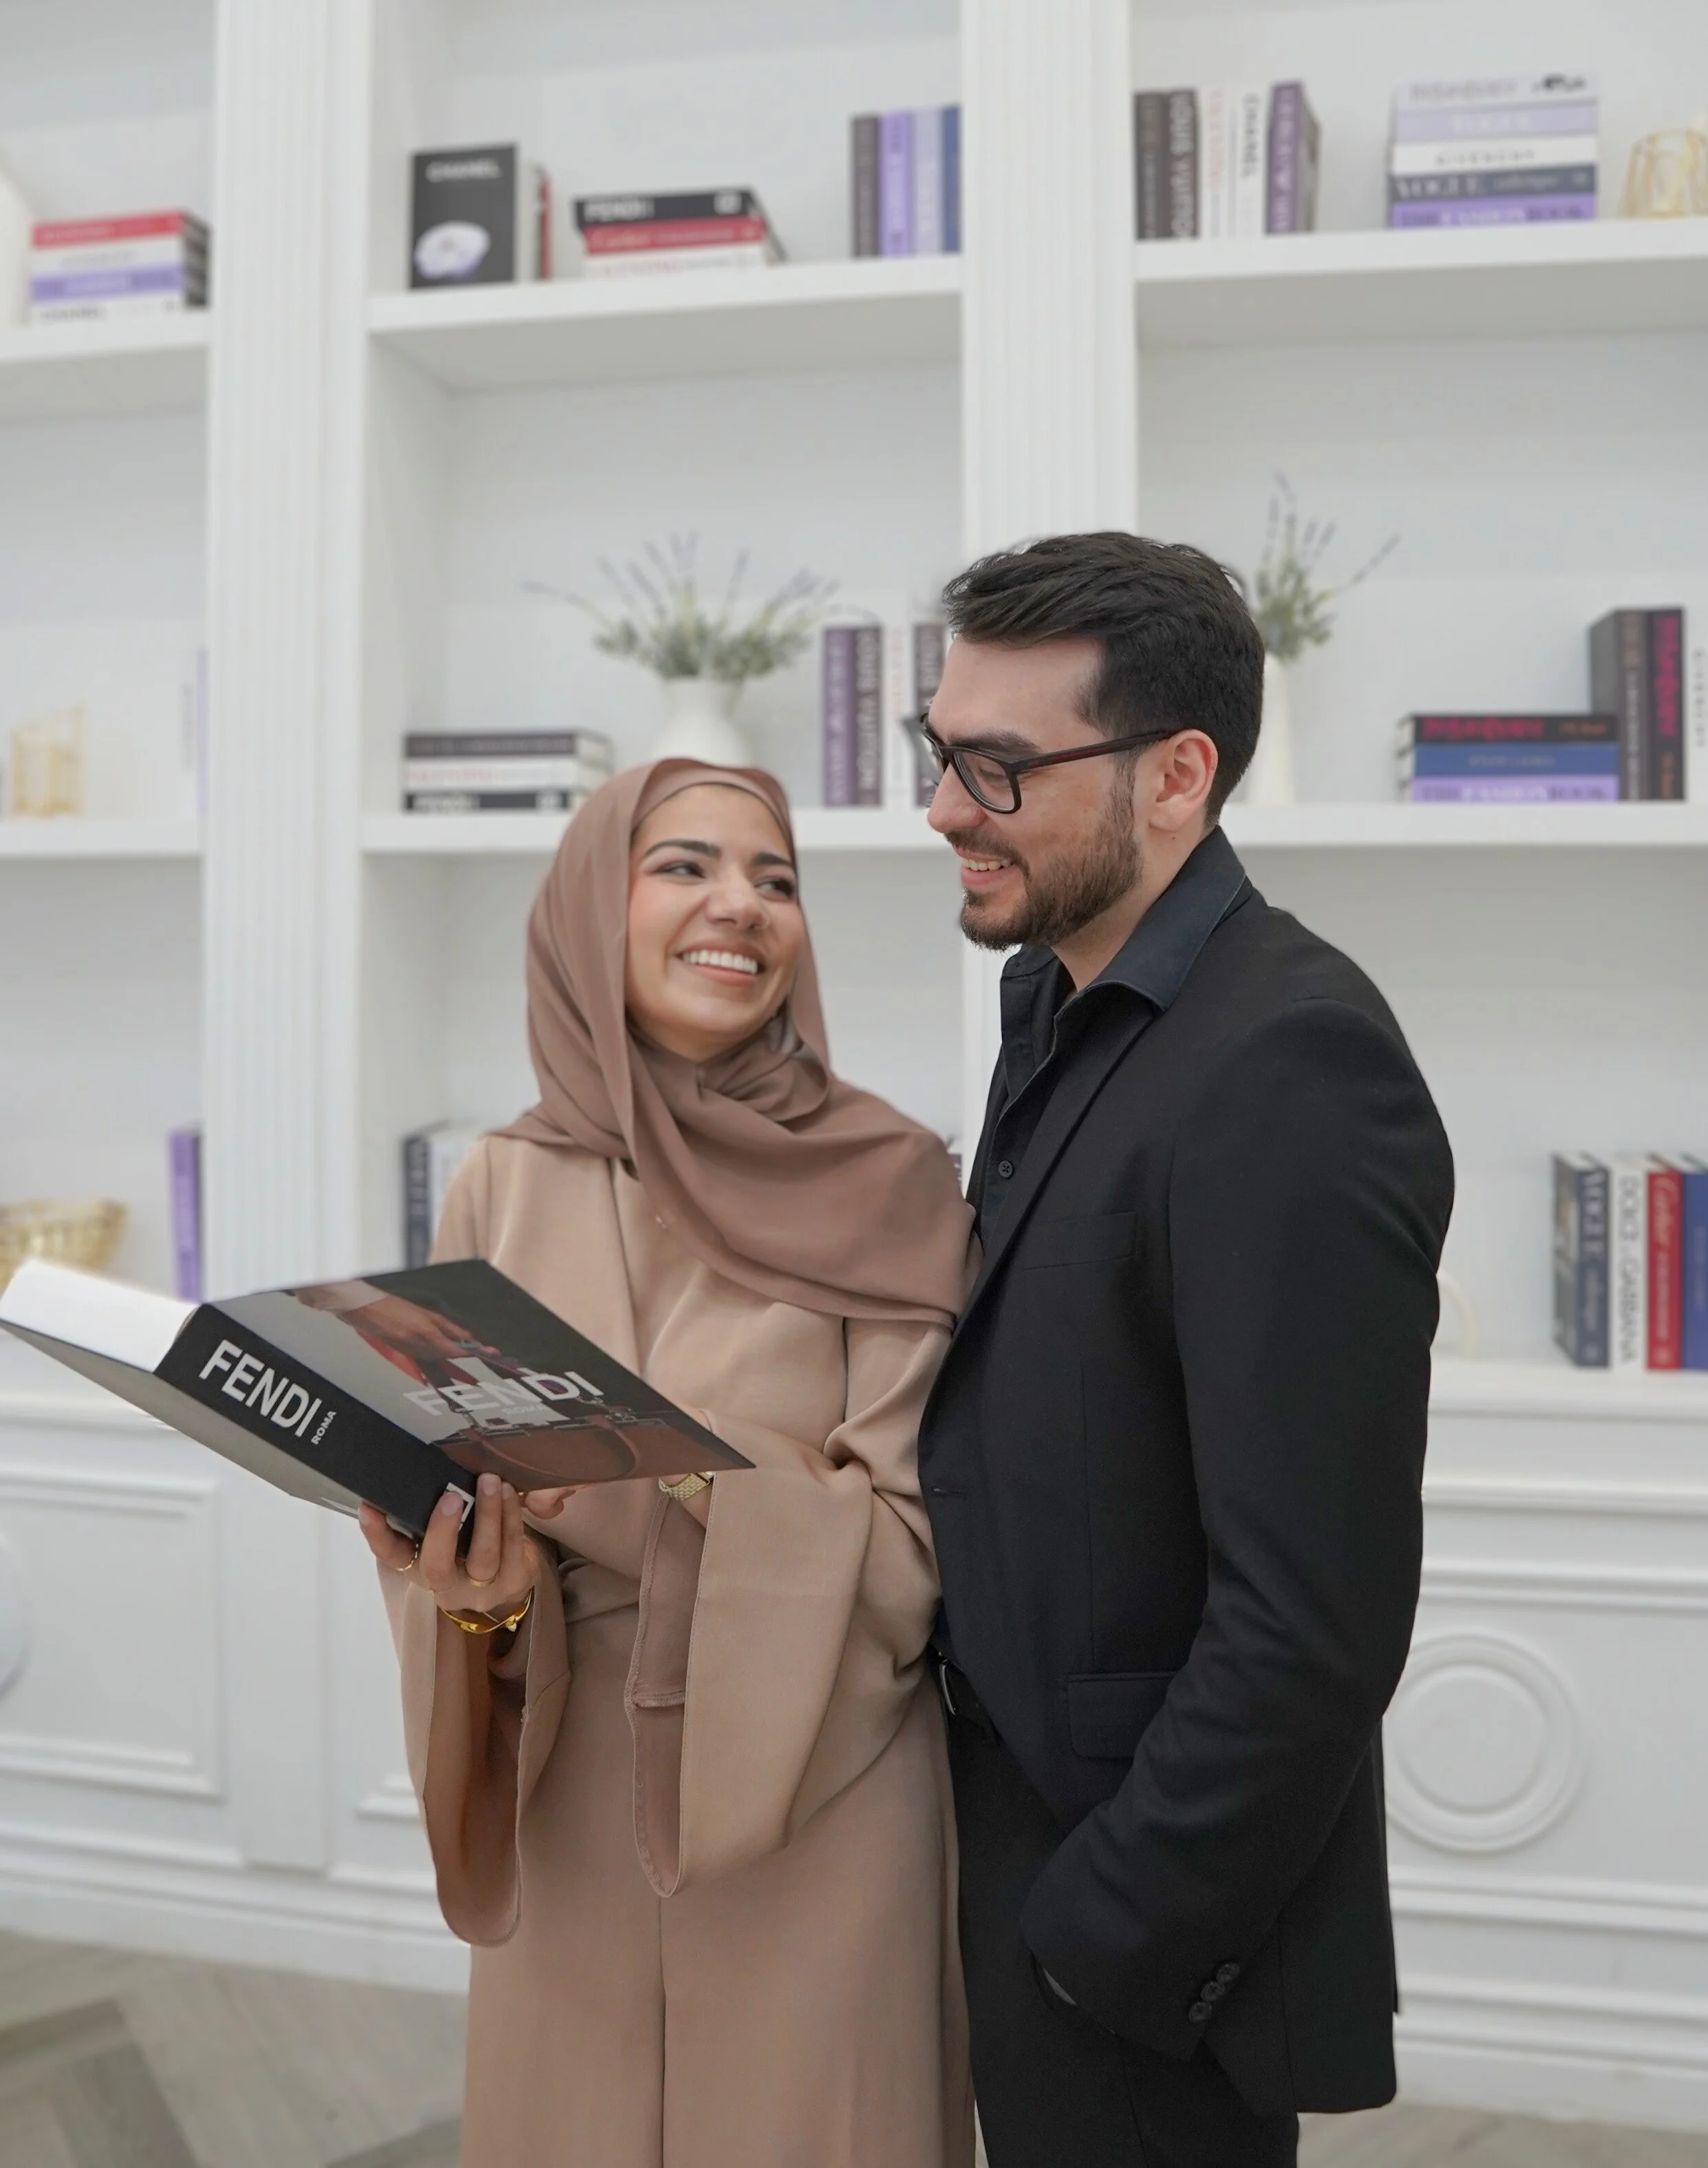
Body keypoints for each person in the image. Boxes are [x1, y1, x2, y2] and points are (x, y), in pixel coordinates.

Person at [913, 533, 1455, 2168]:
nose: (941, 809)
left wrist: (1104, 1933)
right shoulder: (1051, 999)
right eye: (939, 753)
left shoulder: (1291, 1058)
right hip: (1003, 1846)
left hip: (1131, 1942)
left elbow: (1311, 1621)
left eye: (997, 770)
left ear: (1176, 776)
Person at [359, 761, 976, 2168]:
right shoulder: (498, 1183)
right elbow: (455, 1516)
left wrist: (648, 1502)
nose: (739, 907)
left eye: (775, 879)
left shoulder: (890, 1181)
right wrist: (473, 1586)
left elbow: (914, 1544)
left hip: (817, 1798)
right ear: (590, 908)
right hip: (563, 1791)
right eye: (684, 866)